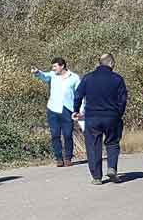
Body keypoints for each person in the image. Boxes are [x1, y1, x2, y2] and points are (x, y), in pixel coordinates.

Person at [72, 53, 128, 185]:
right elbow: (123, 99)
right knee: (112, 142)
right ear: (111, 63)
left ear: (99, 63)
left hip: (92, 117)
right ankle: (112, 168)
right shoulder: (117, 79)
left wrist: (76, 109)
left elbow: (78, 95)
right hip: (111, 116)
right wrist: (118, 113)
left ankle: (97, 177)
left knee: (93, 146)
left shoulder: (88, 78)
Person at [30, 58, 80, 167]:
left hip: (67, 109)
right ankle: (58, 158)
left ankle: (68, 158)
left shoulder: (74, 78)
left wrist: (79, 109)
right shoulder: (52, 75)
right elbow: (44, 76)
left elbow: (79, 94)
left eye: (55, 66)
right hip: (53, 109)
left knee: (67, 134)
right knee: (55, 135)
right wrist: (37, 72)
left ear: (62, 66)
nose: (53, 69)